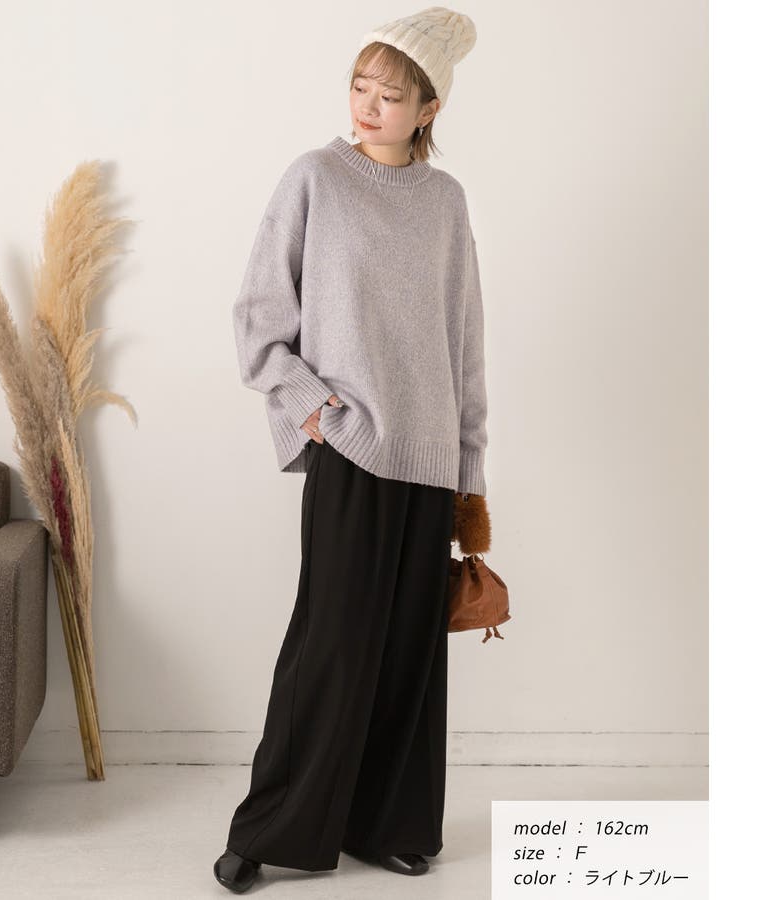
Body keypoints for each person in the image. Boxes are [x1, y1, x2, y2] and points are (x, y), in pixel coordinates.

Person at [214, 6, 488, 893]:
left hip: (428, 461)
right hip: (353, 448)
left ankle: (391, 825)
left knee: (410, 654)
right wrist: (312, 408)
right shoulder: (316, 179)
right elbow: (259, 316)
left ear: (429, 109)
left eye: (390, 95)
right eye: (360, 87)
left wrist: (470, 476)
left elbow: (463, 343)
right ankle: (270, 831)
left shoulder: (445, 201)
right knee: (328, 648)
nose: (368, 106)